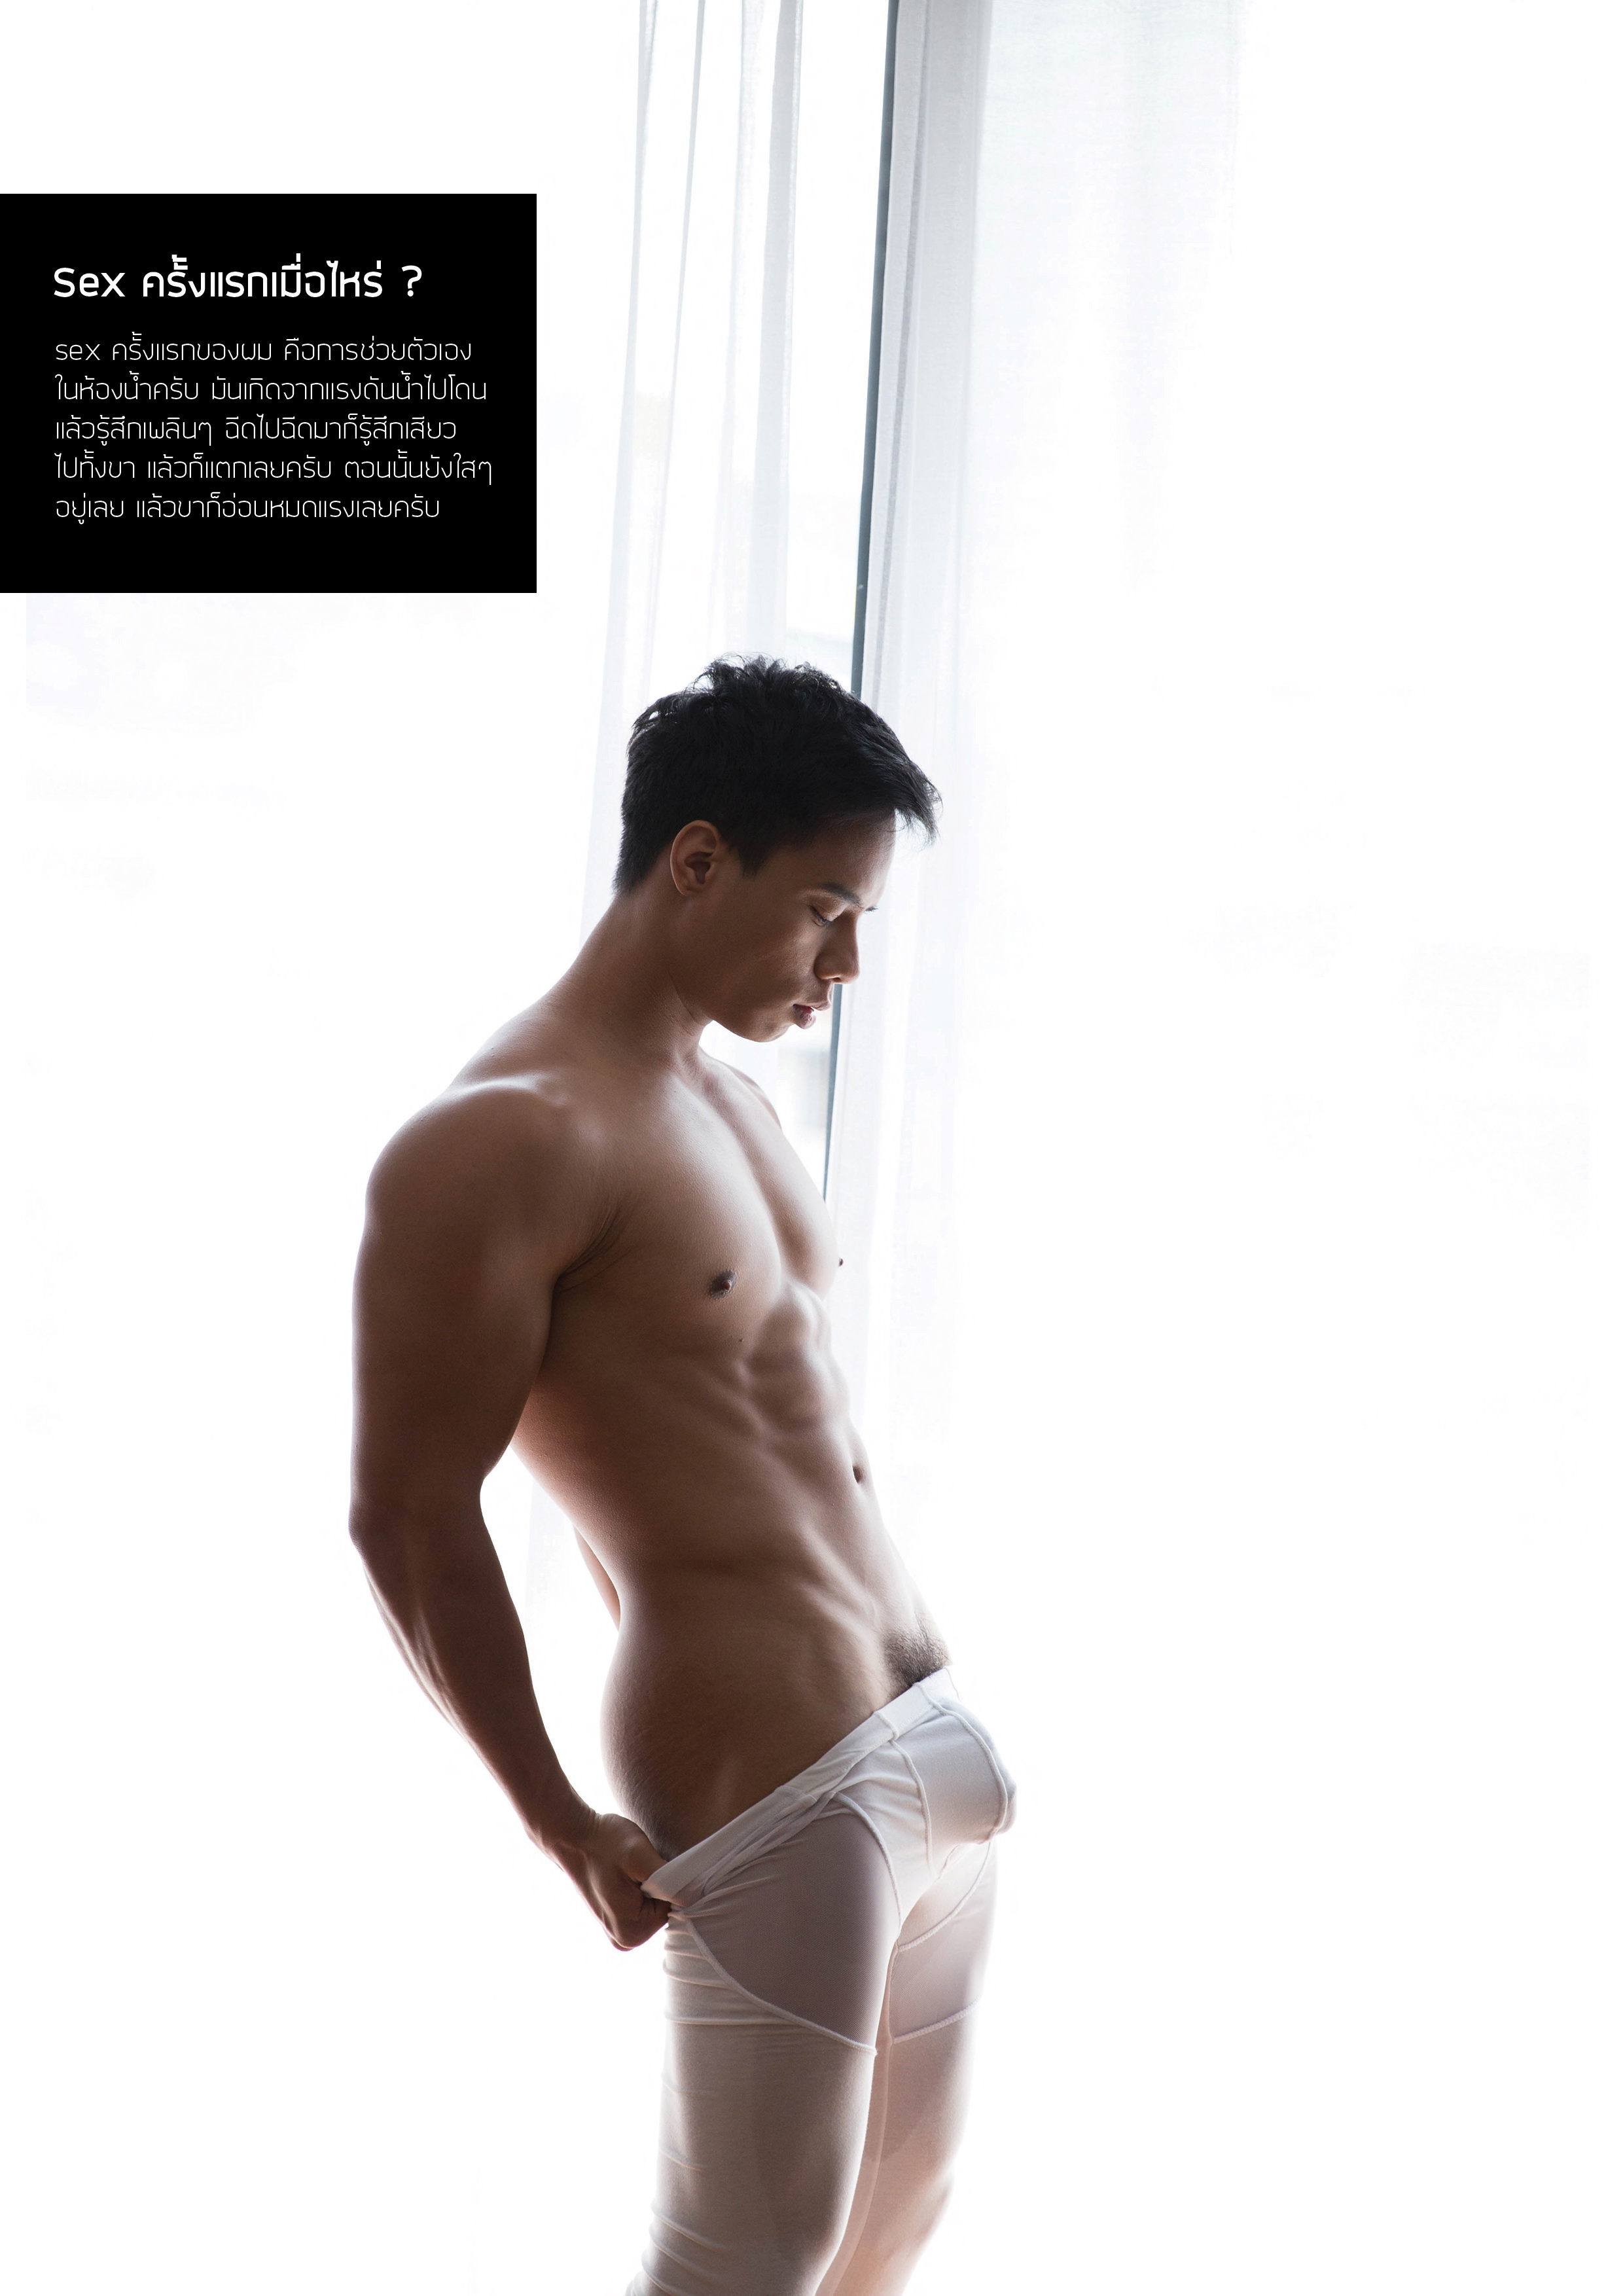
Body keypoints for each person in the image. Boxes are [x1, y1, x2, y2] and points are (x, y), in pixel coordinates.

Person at [349, 655, 1018, 2295]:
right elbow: (409, 1512)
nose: (844, 965)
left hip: (922, 1746)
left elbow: (691, 1432)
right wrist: (558, 1819)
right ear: (699, 859)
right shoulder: (500, 1136)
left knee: (887, 2244)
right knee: (740, 2269)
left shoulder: (733, 1105)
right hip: (777, 1779)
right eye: (824, 913)